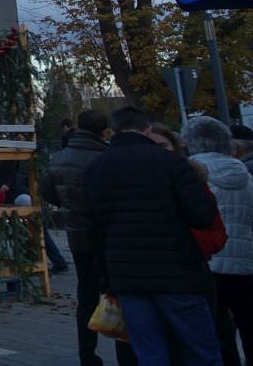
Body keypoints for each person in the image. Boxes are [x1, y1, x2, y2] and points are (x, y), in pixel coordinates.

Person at [86, 106, 221, 365]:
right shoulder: (171, 162)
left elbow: (93, 230)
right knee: (201, 351)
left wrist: (106, 279)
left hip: (127, 277)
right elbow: (202, 216)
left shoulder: (96, 168)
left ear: (113, 131)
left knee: (150, 354)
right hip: (177, 274)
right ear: (147, 129)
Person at [47, 109, 137, 366]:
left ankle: (87, 353)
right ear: (104, 131)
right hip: (109, 236)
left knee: (86, 295)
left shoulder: (59, 158)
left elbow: (48, 191)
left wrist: (67, 205)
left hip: (77, 234)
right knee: (120, 294)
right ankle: (125, 353)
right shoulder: (108, 156)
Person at [183, 116, 253, 364]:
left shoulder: (189, 174)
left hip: (207, 262)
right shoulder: (244, 173)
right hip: (245, 262)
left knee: (217, 329)